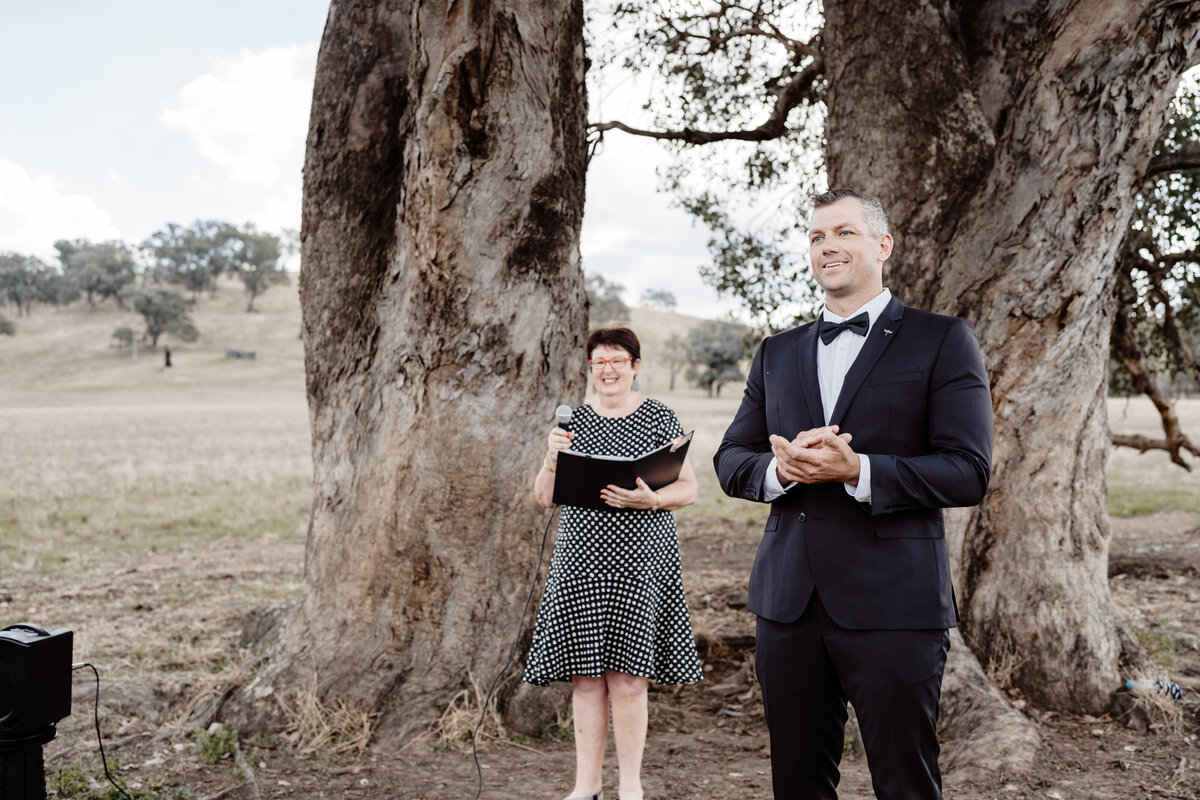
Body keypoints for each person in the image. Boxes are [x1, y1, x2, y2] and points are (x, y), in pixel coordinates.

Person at [714, 189, 993, 800]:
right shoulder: (776, 352)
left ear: (882, 246)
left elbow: (968, 470)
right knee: (797, 782)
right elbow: (731, 460)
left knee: (905, 783)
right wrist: (784, 473)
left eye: (843, 233)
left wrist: (857, 470)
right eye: (816, 237)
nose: (827, 246)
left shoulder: (942, 340)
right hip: (788, 606)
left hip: (896, 604)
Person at [525, 326, 703, 800]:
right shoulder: (572, 423)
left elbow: (689, 488)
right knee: (585, 679)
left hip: (641, 562)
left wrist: (652, 500)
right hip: (581, 561)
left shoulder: (659, 416)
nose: (607, 370)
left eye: (617, 361)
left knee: (627, 680)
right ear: (590, 369)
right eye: (599, 362)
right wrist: (550, 458)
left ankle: (630, 788)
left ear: (634, 367)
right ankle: (586, 788)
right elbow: (545, 499)